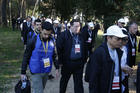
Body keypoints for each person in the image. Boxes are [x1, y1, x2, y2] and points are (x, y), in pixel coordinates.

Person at [86, 25, 128, 93]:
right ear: (108, 38)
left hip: (115, 87)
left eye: (121, 38)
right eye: (118, 38)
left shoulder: (118, 51)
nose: (120, 41)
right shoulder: (99, 53)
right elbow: (93, 78)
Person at [21, 22, 58, 93]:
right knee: (39, 91)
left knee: (39, 89)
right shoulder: (33, 40)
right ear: (41, 29)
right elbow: (26, 56)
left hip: (46, 70)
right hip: (35, 71)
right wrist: (23, 72)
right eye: (45, 34)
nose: (47, 36)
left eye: (49, 34)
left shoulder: (52, 41)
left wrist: (57, 67)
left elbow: (54, 54)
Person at [56, 19, 88, 93]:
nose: (77, 28)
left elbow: (85, 47)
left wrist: (84, 59)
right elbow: (59, 49)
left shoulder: (81, 35)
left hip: (79, 64)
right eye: (75, 26)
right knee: (64, 81)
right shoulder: (63, 35)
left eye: (79, 26)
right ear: (70, 26)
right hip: (67, 63)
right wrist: (60, 62)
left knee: (79, 83)